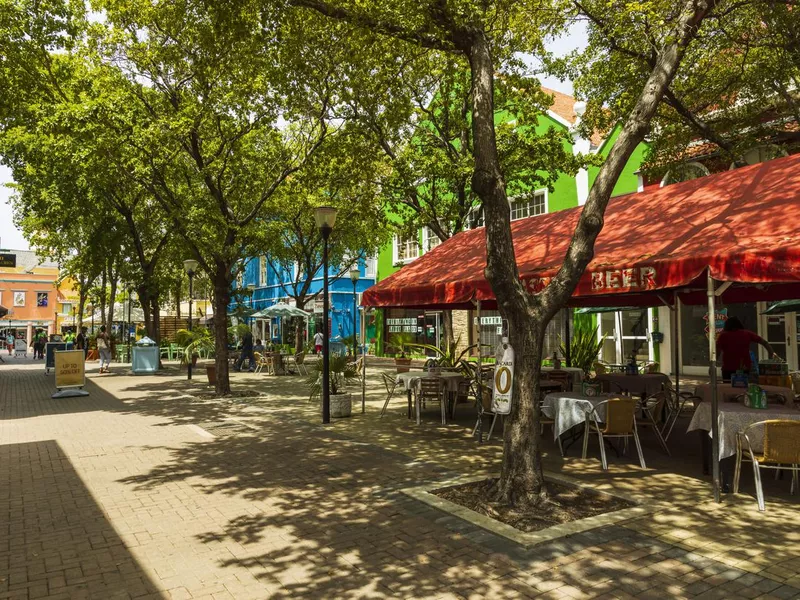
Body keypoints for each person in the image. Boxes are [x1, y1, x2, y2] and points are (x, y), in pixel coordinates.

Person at [716, 316, 779, 381]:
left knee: (728, 388)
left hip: (728, 367)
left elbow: (717, 351)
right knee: (743, 388)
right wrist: (772, 353)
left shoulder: (723, 336)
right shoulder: (747, 333)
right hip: (744, 366)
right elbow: (765, 343)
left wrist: (714, 364)